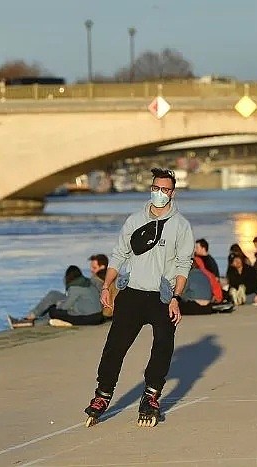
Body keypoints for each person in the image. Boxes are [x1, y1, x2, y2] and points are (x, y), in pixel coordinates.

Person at [84, 168, 194, 428]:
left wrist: (177, 297)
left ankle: (152, 395)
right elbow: (119, 254)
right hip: (131, 294)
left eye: (165, 190)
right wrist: (106, 285)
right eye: (156, 188)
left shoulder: (181, 226)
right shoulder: (134, 220)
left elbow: (183, 264)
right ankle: (103, 394)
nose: (159, 193)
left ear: (172, 193)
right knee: (115, 347)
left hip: (162, 296)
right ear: (151, 189)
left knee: (163, 346)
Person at [8, 265, 104, 327]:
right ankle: (29, 320)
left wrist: (58, 304)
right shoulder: (87, 282)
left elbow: (65, 307)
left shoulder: (75, 288)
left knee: (53, 312)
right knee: (53, 295)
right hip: (97, 315)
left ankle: (29, 321)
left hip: (88, 318)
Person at [89, 253, 115, 318]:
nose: (91, 270)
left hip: (105, 313)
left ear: (102, 267)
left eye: (94, 268)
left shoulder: (95, 280)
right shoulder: (118, 277)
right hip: (118, 312)